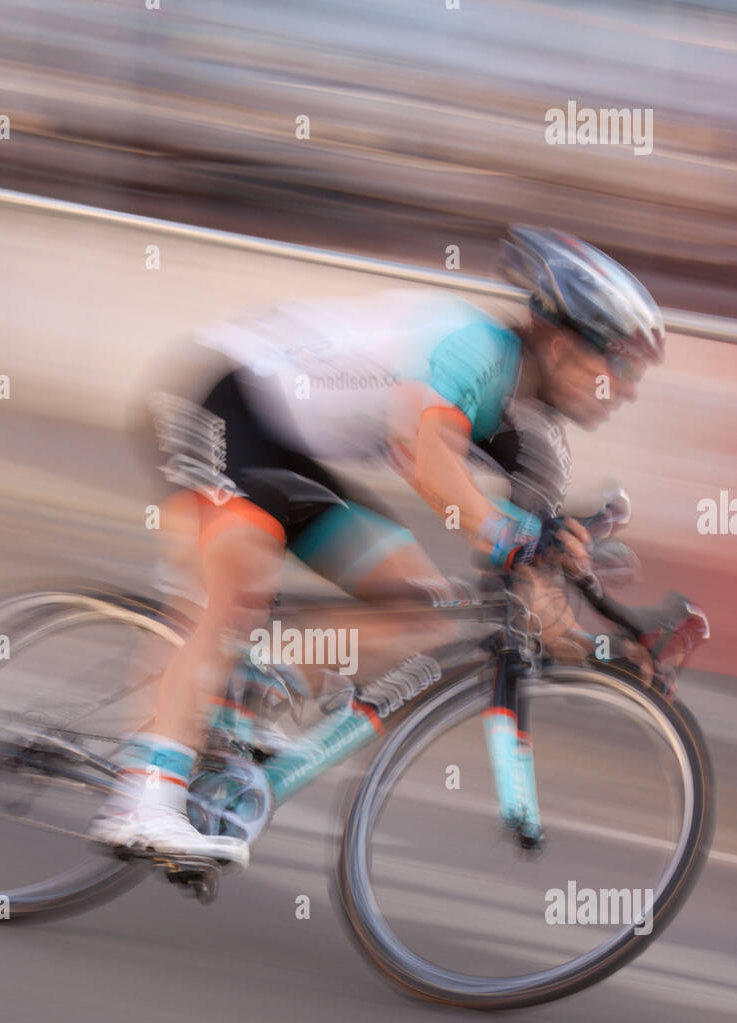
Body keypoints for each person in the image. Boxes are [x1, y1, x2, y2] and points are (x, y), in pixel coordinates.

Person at [92, 226, 665, 866]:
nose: (629, 386)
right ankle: (143, 800)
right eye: (619, 363)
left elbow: (533, 593)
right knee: (232, 591)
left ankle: (248, 694)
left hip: (291, 454)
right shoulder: (473, 347)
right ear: (561, 344)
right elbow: (423, 456)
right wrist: (512, 533)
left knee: (422, 609)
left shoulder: (540, 444)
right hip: (225, 400)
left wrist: (604, 652)